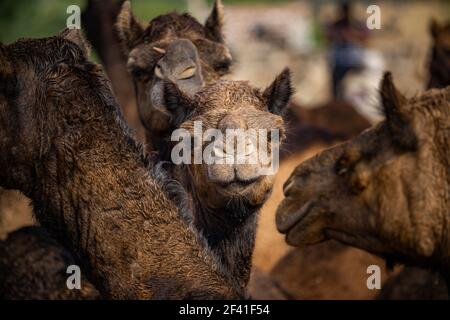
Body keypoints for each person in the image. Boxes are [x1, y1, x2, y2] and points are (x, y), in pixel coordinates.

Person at [326, 1, 369, 99]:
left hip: (353, 62)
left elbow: (365, 36)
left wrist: (352, 35)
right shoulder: (337, 25)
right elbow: (328, 36)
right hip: (339, 63)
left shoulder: (356, 24)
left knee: (355, 89)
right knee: (337, 90)